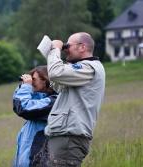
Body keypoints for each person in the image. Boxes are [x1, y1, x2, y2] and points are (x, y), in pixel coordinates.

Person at [43, 32, 105, 166]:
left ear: (82, 47)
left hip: (69, 137)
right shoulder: (82, 70)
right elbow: (57, 83)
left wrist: (56, 49)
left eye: (68, 46)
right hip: (66, 136)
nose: (66, 49)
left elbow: (56, 73)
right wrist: (54, 55)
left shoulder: (89, 67)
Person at [12, 65, 57, 167]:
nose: (31, 82)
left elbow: (23, 108)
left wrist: (26, 87)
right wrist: (23, 86)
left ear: (46, 80)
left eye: (34, 79)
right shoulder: (37, 101)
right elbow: (17, 105)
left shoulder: (53, 101)